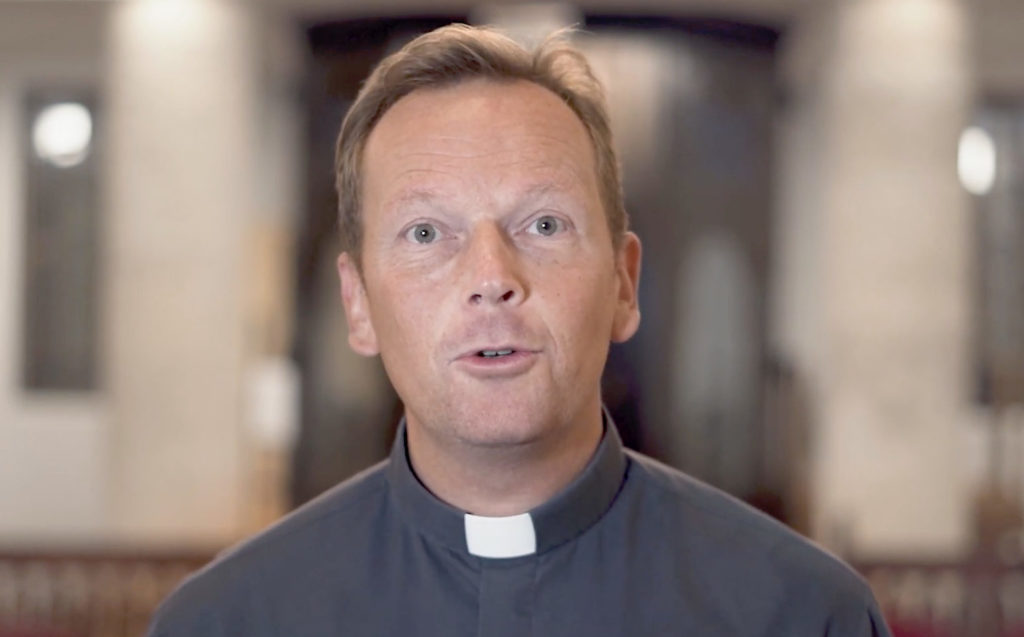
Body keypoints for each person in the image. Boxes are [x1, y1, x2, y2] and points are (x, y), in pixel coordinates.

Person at [147, 24, 891, 637]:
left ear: (623, 283)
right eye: (426, 233)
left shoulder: (802, 614)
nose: (491, 276)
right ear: (358, 304)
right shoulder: (224, 622)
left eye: (543, 224)